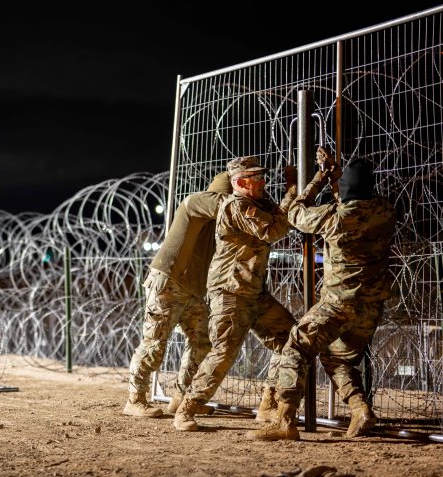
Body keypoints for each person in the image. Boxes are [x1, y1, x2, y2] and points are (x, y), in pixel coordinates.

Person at [246, 148, 396, 441]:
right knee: (337, 359)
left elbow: (295, 212)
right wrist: (336, 180)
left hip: (339, 304)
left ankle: (284, 420)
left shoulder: (334, 218)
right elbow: (352, 201)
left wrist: (317, 179)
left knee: (295, 346)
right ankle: (360, 409)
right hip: (372, 306)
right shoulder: (385, 212)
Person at [173, 156, 298, 431]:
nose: (263, 182)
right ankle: (186, 408)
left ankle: (270, 404)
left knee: (287, 337)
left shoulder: (257, 203)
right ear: (240, 182)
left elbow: (279, 215)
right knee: (224, 352)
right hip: (231, 291)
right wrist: (293, 193)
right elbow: (273, 229)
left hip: (253, 290)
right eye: (256, 179)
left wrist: (293, 189)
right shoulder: (237, 206)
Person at [123, 171, 232, 417]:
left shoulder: (221, 221)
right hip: (168, 283)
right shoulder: (196, 202)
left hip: (193, 290)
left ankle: (182, 398)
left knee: (202, 344)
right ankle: (135, 399)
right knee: (154, 344)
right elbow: (221, 205)